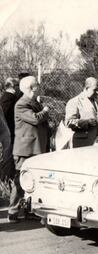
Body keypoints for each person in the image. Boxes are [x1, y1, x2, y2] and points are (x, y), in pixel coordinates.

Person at [10, 76, 50, 223]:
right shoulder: (21, 104)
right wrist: (45, 111)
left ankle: (29, 210)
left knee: (34, 181)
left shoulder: (33, 102)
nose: (39, 87)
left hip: (36, 148)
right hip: (25, 150)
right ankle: (13, 211)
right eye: (37, 85)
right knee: (21, 181)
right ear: (31, 88)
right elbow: (35, 119)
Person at [65, 77, 98, 148]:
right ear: (86, 88)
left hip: (95, 144)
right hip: (81, 144)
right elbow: (68, 122)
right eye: (95, 90)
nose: (97, 92)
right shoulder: (75, 101)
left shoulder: (97, 102)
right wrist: (86, 122)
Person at [0, 78, 20, 146]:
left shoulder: (10, 97)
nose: (19, 88)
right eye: (18, 85)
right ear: (13, 86)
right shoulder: (8, 98)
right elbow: (3, 116)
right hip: (9, 133)